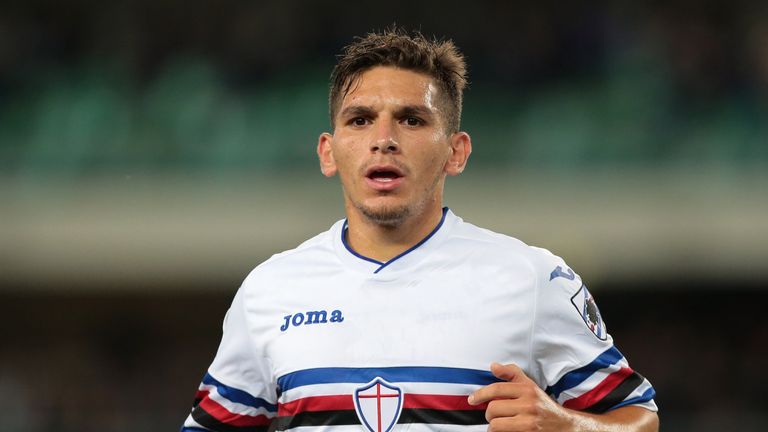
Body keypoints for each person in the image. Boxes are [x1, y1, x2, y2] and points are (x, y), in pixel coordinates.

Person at [181, 29, 659, 432]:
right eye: (360, 119)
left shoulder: (532, 278)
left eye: (412, 119)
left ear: (457, 152)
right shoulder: (270, 289)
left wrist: (566, 424)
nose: (384, 139)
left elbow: (641, 418)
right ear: (329, 152)